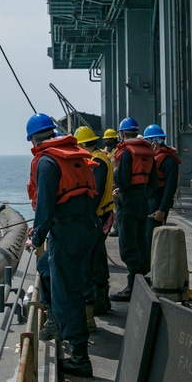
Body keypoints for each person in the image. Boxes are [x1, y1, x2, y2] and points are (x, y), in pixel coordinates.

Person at [25, 113, 98, 378]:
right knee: (46, 269)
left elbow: (44, 205)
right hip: (85, 228)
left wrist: (36, 237)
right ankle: (55, 321)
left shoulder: (46, 162)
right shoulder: (74, 155)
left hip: (66, 234)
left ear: (33, 138)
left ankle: (79, 357)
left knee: (68, 293)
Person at [109, 117, 157, 302]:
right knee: (140, 239)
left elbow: (122, 180)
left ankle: (132, 285)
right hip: (143, 198)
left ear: (121, 134)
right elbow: (153, 182)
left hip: (128, 200)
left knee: (127, 244)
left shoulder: (126, 154)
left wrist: (115, 168)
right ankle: (142, 278)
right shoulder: (148, 152)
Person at [75, 125, 115, 319]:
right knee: (98, 257)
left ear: (83, 145)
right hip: (105, 213)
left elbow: (96, 192)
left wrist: (86, 216)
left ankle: (97, 301)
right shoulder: (103, 157)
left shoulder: (97, 161)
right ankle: (102, 299)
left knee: (92, 260)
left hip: (99, 215)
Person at [144, 124, 180, 251]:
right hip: (148, 200)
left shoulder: (169, 162)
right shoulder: (151, 158)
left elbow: (170, 188)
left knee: (152, 237)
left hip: (157, 202)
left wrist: (162, 209)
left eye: (147, 141)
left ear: (154, 142)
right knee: (146, 236)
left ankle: (153, 267)